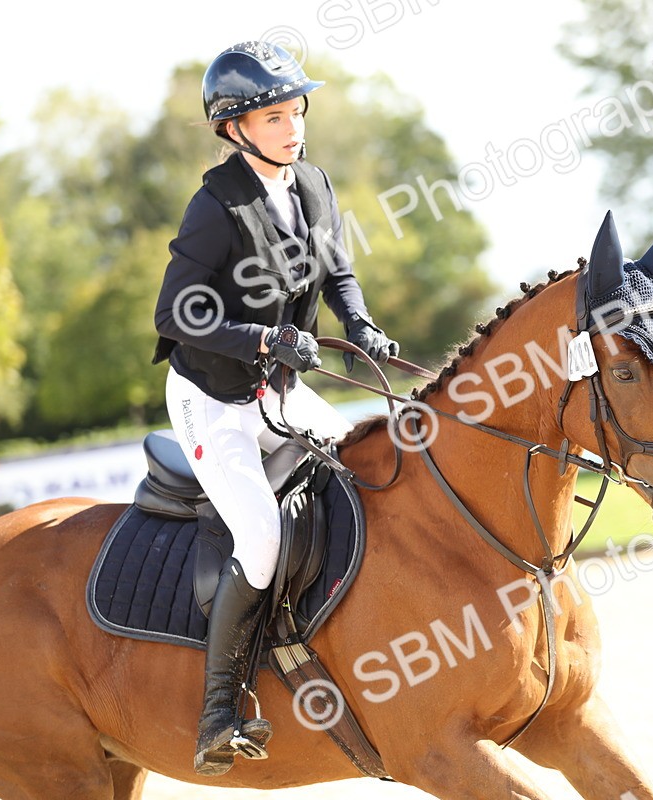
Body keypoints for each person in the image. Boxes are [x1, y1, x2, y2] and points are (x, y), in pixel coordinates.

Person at [152, 41, 398, 776]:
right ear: (235, 128)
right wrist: (266, 336)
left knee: (370, 465)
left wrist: (357, 324)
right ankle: (219, 710)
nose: (292, 127)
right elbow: (175, 314)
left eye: (295, 111)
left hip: (278, 391)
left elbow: (339, 270)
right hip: (213, 400)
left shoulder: (313, 183)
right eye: (273, 116)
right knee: (258, 537)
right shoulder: (213, 207)